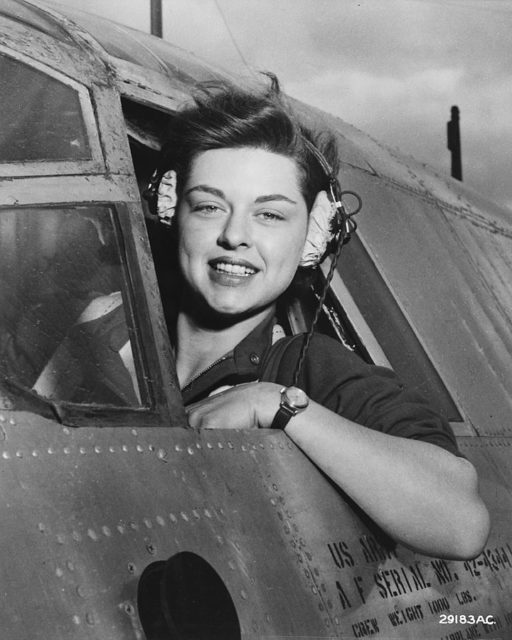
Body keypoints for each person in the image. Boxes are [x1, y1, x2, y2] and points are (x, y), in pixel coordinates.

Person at [147, 76, 489, 561]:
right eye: (208, 206)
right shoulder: (98, 337)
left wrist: (276, 404)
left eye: (270, 215)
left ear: (314, 235)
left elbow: (461, 523)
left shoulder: (308, 370)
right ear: (171, 209)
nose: (234, 236)